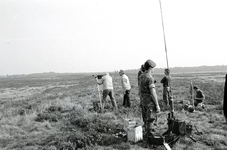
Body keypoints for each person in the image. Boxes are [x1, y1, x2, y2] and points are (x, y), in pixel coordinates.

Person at [138, 59, 161, 142]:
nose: (154, 69)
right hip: (149, 102)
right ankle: (151, 139)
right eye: (153, 68)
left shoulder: (141, 76)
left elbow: (140, 89)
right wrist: (157, 105)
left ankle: (146, 136)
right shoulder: (150, 78)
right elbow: (153, 92)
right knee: (151, 120)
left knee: (145, 119)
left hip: (143, 101)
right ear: (150, 68)